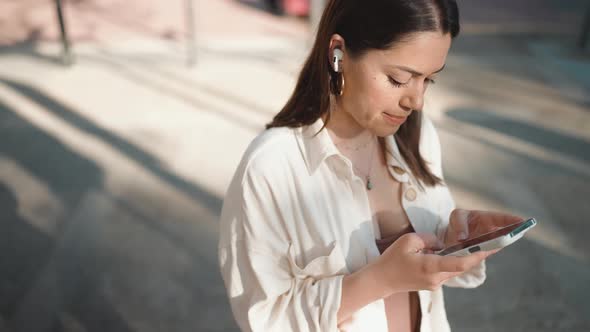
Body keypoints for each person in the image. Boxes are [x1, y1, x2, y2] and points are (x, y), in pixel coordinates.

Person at [218, 0, 522, 331]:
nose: (415, 101)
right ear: (338, 53)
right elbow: (264, 319)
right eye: (398, 78)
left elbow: (425, 274)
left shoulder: (417, 139)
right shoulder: (272, 168)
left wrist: (453, 238)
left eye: (428, 81)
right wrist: (381, 279)